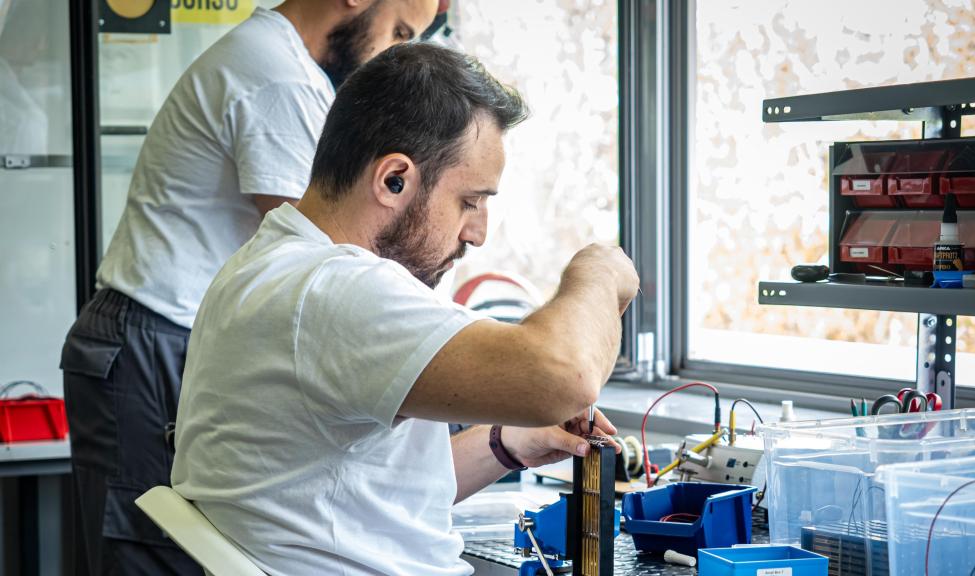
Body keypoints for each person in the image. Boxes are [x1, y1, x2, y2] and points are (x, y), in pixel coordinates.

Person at [171, 42, 639, 575]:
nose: (478, 233)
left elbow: (363, 498)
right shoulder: (335, 289)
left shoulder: (265, 269)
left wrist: (509, 445)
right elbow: (564, 376)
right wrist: (599, 269)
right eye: (470, 201)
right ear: (394, 179)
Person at [59, 1, 439, 574]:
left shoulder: (288, 67)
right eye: (400, 32)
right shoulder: (275, 77)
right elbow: (331, 254)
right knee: (155, 557)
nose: (393, 56)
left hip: (179, 338)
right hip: (153, 340)